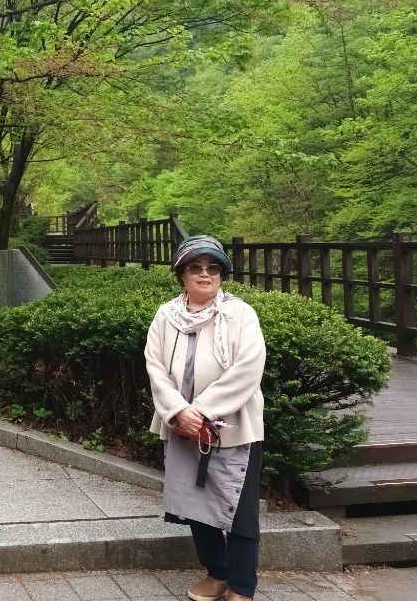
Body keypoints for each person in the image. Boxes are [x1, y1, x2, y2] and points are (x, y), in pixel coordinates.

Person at [144, 235, 267, 601]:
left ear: (221, 274)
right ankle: (216, 573)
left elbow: (249, 367)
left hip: (234, 425)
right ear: (181, 274)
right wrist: (178, 412)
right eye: (195, 267)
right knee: (195, 503)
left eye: (213, 268)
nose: (205, 274)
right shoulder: (165, 316)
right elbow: (155, 367)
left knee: (238, 508)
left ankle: (241, 587)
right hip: (182, 426)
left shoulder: (240, 314)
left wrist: (201, 411)